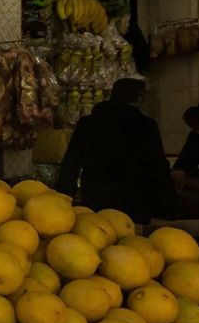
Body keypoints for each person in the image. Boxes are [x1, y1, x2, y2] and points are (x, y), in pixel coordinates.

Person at [55, 78, 173, 224]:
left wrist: (64, 197)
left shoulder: (88, 123)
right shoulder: (145, 125)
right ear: (139, 97)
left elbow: (71, 163)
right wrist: (167, 198)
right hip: (135, 201)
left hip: (96, 197)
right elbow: (157, 165)